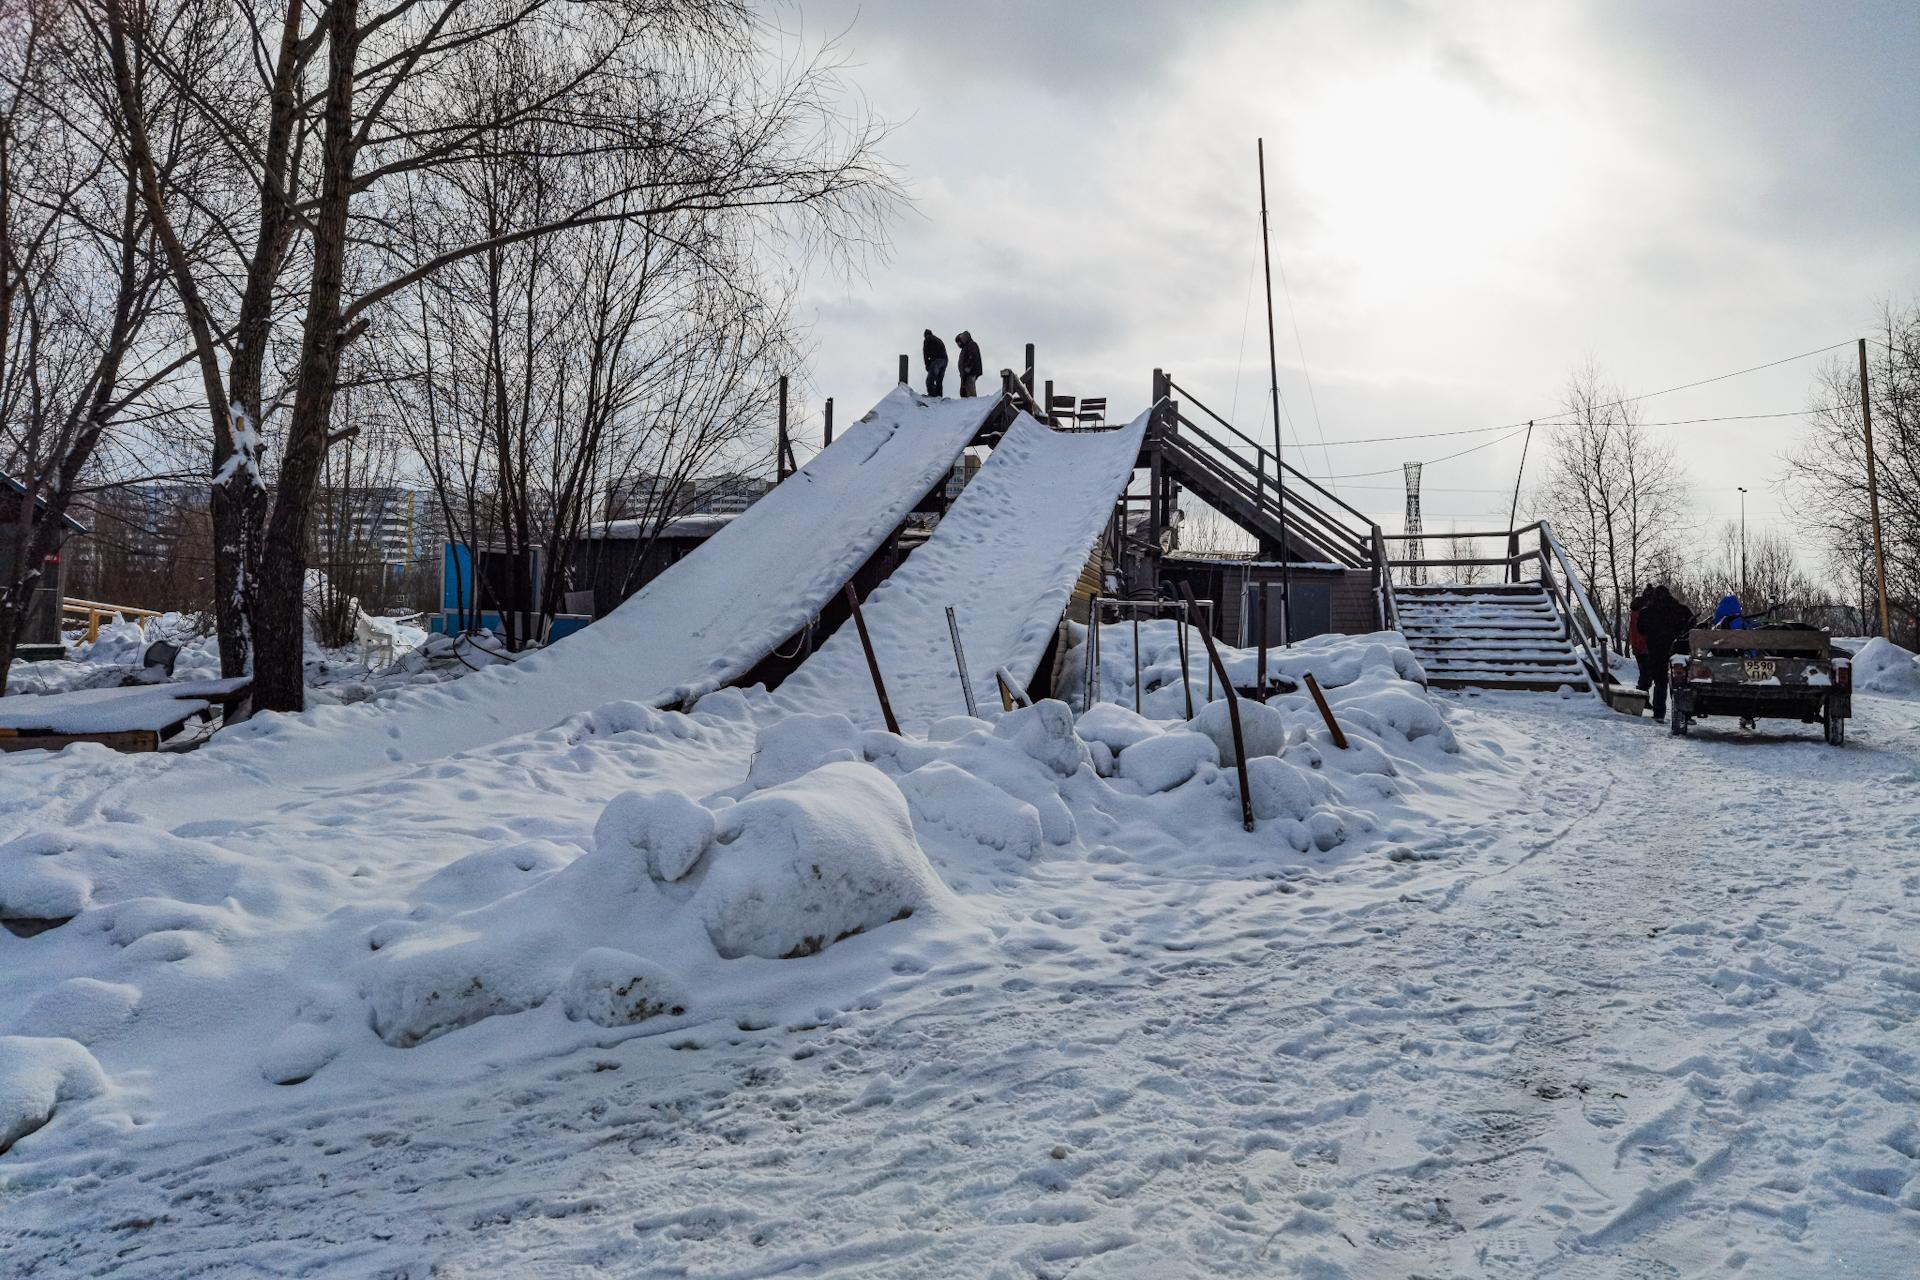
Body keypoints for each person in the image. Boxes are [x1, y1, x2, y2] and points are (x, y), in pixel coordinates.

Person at [1637, 585, 1694, 722]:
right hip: (1678, 651)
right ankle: (1684, 714)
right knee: (1681, 683)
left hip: (1656, 651)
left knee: (1660, 682)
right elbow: (1692, 625)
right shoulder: (1681, 610)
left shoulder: (1647, 612)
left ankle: (1658, 713)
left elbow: (1641, 630)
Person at [1627, 588, 1652, 691]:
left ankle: (1642, 696)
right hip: (1644, 647)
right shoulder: (1644, 613)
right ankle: (1642, 696)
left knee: (1645, 674)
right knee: (1646, 675)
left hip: (1638, 647)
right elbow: (1641, 632)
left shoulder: (1635, 612)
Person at [955, 331, 983, 398]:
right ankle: (966, 406)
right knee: (964, 392)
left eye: (963, 338)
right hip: (965, 373)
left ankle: (973, 405)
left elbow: (973, 356)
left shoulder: (971, 344)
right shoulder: (966, 347)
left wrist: (968, 367)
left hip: (970, 372)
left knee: (970, 392)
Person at [923, 329, 948, 397]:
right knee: (939, 381)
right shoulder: (938, 339)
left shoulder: (927, 339)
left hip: (937, 361)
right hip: (945, 361)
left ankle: (932, 396)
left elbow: (925, 353)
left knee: (930, 380)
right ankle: (939, 396)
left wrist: (927, 364)